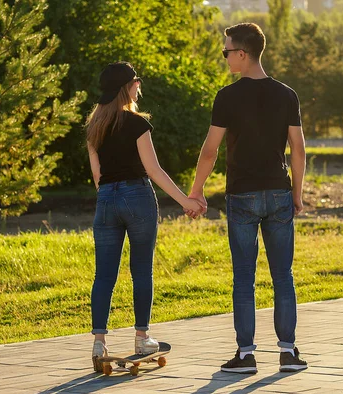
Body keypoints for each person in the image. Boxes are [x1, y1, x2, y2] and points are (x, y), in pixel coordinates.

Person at [187, 23, 308, 374]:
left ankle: (245, 355)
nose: (224, 57)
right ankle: (288, 353)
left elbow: (210, 151)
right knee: (283, 274)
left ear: (242, 53)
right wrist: (296, 193)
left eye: (226, 51)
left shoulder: (227, 97)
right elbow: (298, 149)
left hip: (241, 196)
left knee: (244, 277)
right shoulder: (287, 94)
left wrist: (196, 191)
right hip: (278, 192)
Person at [86, 62, 204, 372]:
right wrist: (186, 201)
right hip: (137, 197)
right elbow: (153, 170)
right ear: (126, 87)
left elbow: (97, 176)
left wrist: (110, 198)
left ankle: (99, 343)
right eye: (136, 81)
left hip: (106, 199)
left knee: (104, 276)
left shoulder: (94, 127)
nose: (139, 85)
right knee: (141, 270)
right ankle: (142, 338)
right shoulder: (136, 123)